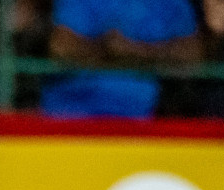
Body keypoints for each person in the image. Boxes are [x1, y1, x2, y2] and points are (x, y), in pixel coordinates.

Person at [42, 0, 200, 118]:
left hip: (142, 119)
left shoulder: (172, 4)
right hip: (72, 115)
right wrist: (104, 48)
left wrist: (135, 51)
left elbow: (192, 52)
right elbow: (60, 46)